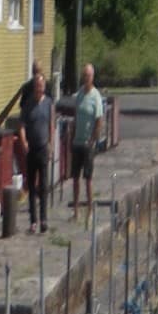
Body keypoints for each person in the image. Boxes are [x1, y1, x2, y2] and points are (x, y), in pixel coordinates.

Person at [16, 67, 53, 235]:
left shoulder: (48, 103)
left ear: (44, 86)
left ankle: (44, 219)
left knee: (44, 186)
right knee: (31, 186)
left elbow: (51, 124)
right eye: (37, 85)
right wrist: (23, 142)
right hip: (31, 148)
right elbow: (21, 125)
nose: (40, 88)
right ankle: (33, 221)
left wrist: (51, 143)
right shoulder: (28, 104)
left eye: (42, 85)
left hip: (44, 147)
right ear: (34, 87)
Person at [69, 63, 106, 217]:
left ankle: (90, 210)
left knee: (88, 179)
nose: (86, 78)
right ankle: (76, 210)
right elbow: (76, 116)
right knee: (75, 179)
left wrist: (92, 140)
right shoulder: (79, 96)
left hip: (88, 144)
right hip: (77, 142)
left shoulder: (96, 97)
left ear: (93, 77)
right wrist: (72, 135)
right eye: (84, 75)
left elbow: (99, 121)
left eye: (88, 76)